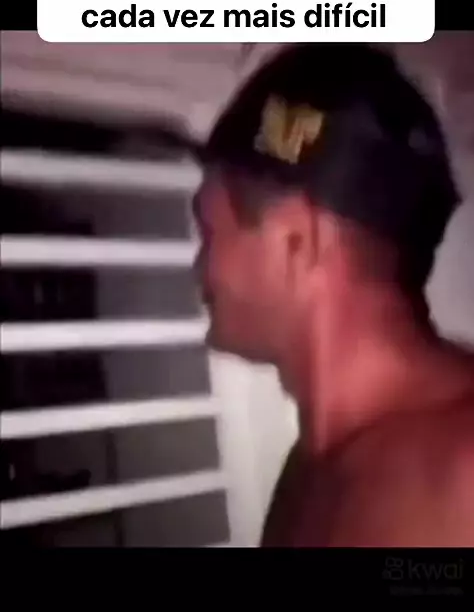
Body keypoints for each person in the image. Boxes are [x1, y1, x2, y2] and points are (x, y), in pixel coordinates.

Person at [163, 44, 474, 547]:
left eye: (210, 233)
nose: (201, 267)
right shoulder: (309, 467)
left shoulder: (464, 470)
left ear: (296, 242)